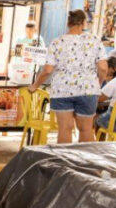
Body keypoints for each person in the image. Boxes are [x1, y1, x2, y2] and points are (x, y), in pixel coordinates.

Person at [29, 9, 107, 144]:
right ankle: (86, 163)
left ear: (68, 23)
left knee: (65, 128)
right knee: (86, 129)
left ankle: (64, 164)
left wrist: (35, 85)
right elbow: (103, 68)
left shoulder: (57, 42)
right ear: (83, 23)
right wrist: (97, 83)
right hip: (88, 90)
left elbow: (47, 70)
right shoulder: (94, 40)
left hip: (62, 90)